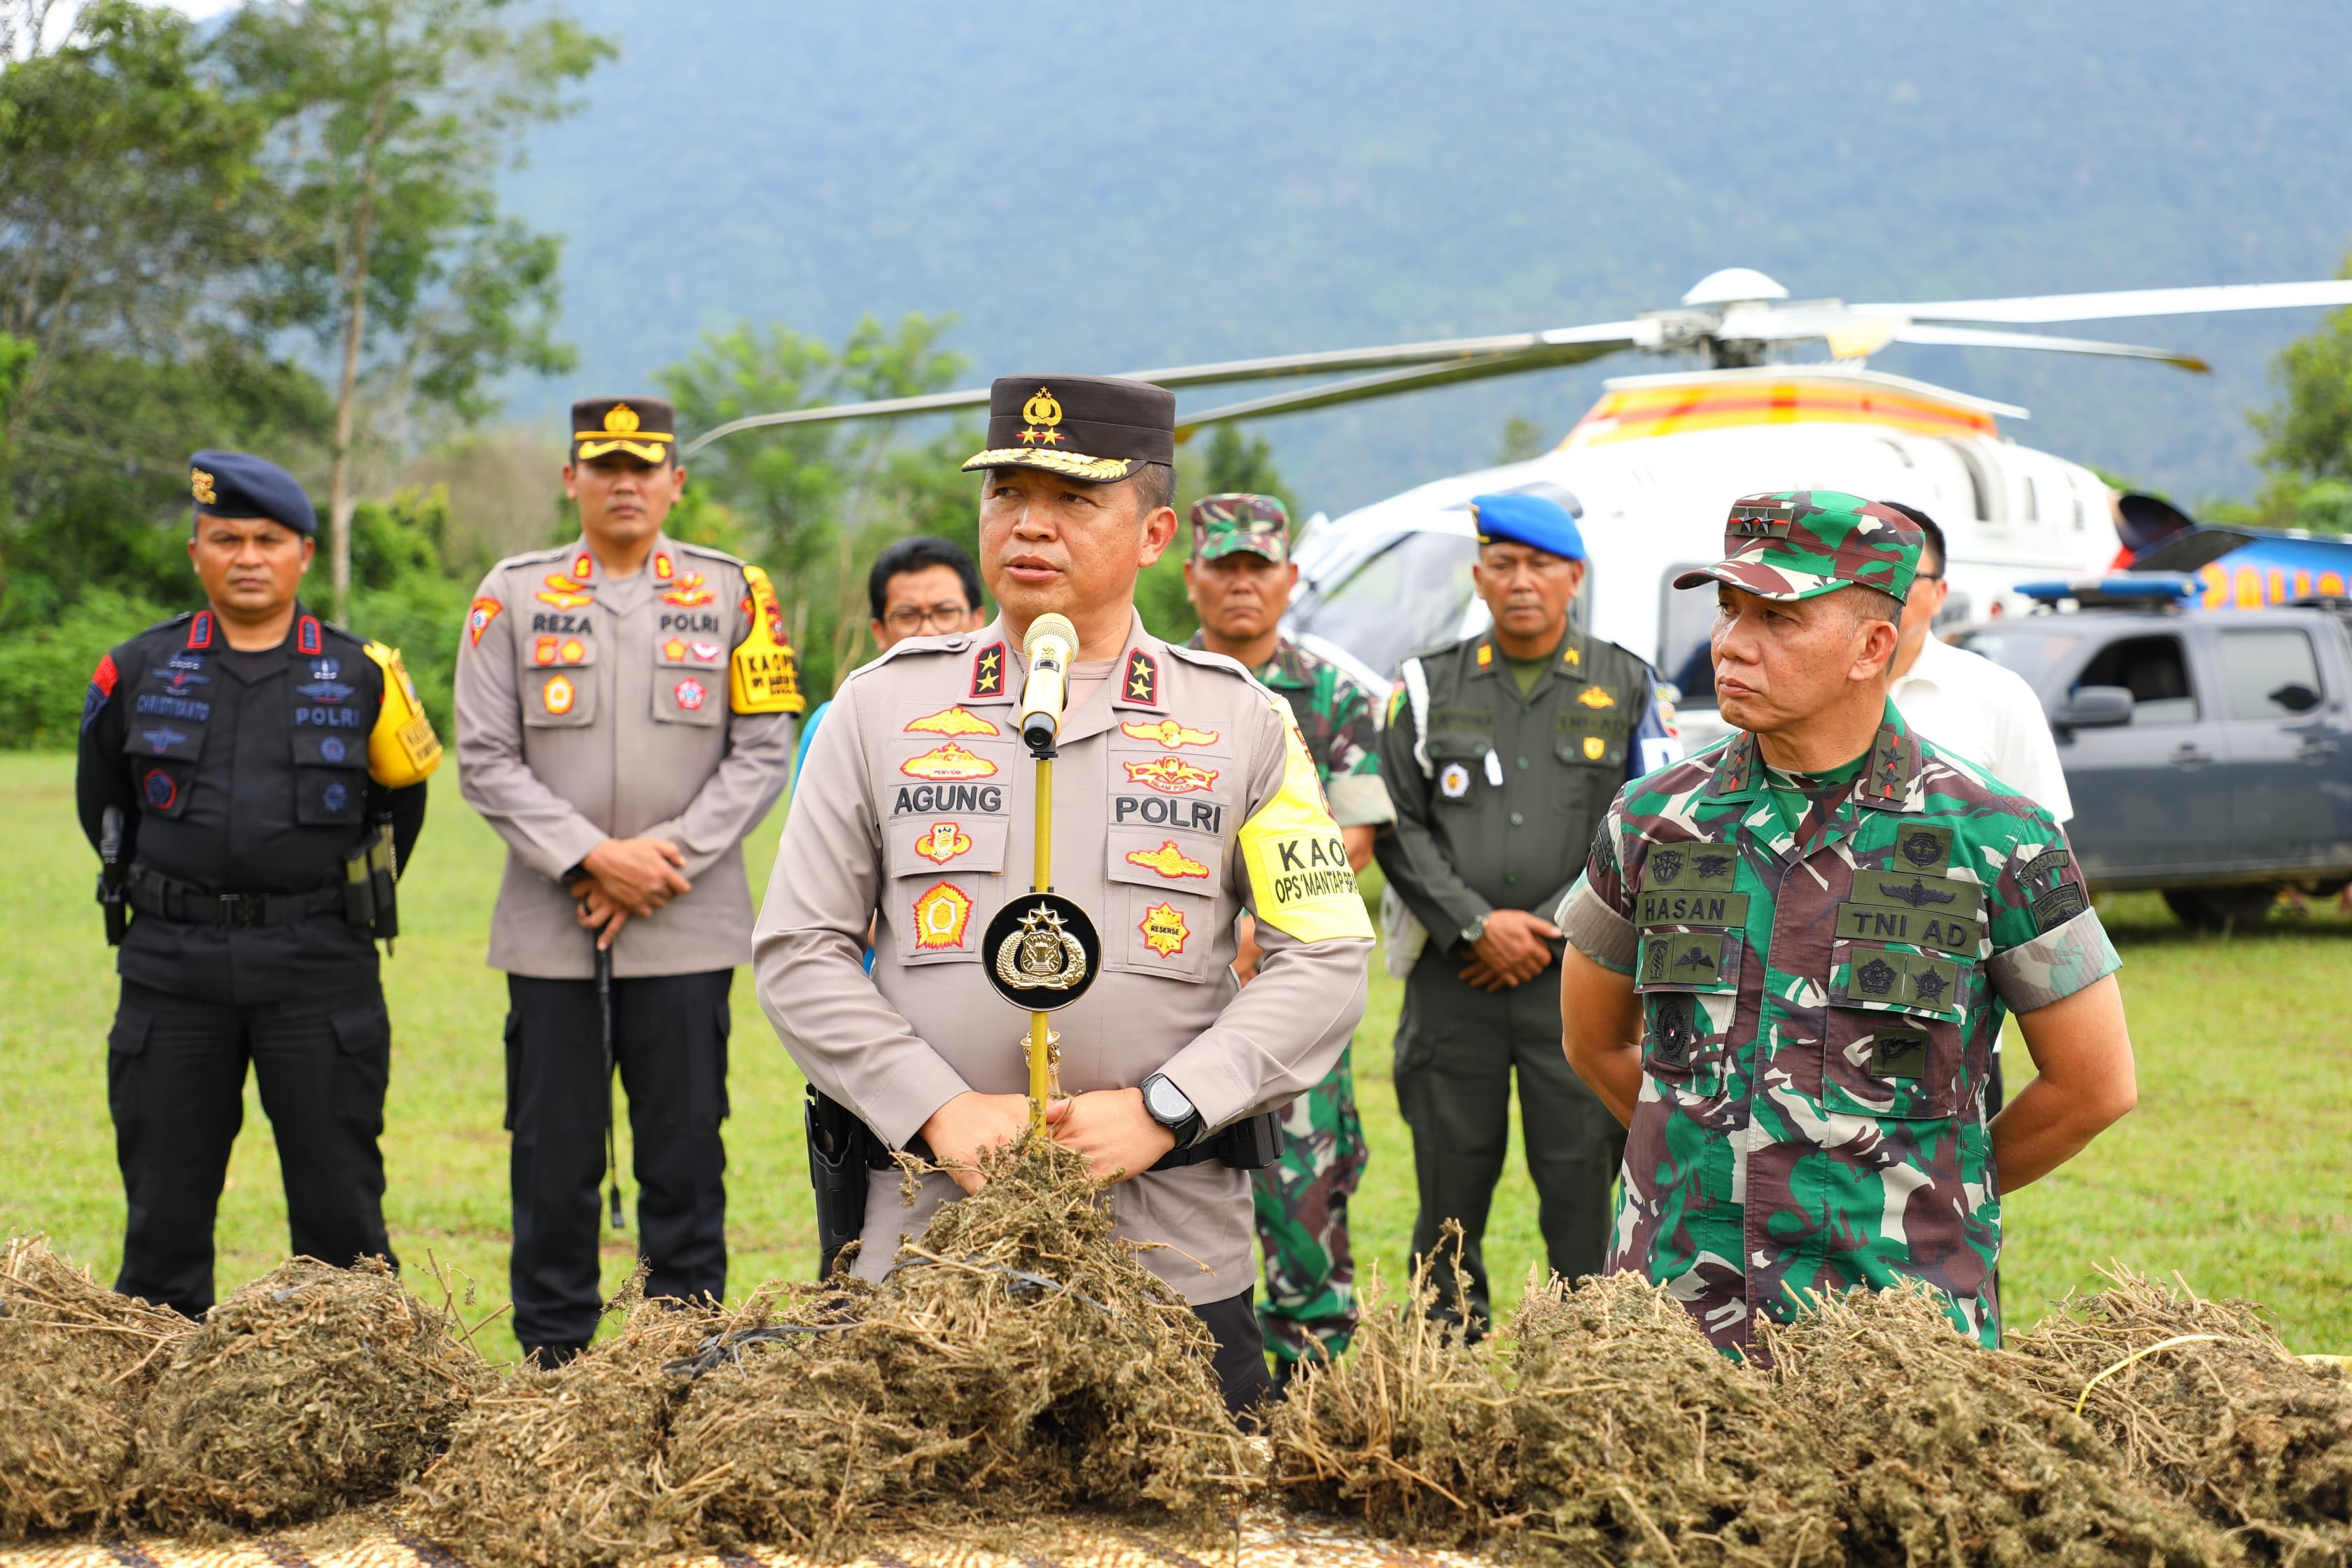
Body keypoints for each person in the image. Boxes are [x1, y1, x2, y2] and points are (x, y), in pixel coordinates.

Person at [755, 374, 1375, 1415]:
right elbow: (799, 950)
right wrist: (940, 1109)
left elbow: (1325, 961)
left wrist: (1167, 1110)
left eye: (1076, 500)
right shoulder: (880, 709)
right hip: (931, 1243)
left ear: (1155, 533)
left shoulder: (1244, 722)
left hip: (1170, 1249)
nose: (1029, 525)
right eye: (1007, 494)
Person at [1558, 490, 2137, 1355]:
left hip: (1892, 1332)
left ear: (1873, 646)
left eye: (1777, 617)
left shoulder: (1996, 836)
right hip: (1675, 1327)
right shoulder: (1652, 819)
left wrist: (1938, 1195)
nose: (1730, 643)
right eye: (1727, 609)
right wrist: (1710, 1166)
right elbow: (1597, 1043)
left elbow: (2094, 1083)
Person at [454, 396, 802, 1366]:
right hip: (551, 923)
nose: (623, 483)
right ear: (571, 478)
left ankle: (683, 1359)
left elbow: (761, 748)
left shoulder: (735, 594)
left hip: (686, 922)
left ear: (675, 482)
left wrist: (662, 862)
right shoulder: (511, 595)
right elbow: (483, 758)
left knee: (686, 1155)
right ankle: (553, 1364)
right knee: (552, 1160)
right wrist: (591, 857)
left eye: (643, 466)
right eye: (602, 465)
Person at [76, 451, 440, 1317]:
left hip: (319, 969)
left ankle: (355, 1405)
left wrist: (312, 902)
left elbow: (403, 810)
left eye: (267, 539)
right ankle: (158, 1407)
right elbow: (104, 803)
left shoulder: (364, 675)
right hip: (172, 969)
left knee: (341, 1213)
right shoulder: (136, 668)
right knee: (162, 1214)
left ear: (303, 554)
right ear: (197, 550)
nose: (247, 555)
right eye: (226, 538)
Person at [1373, 491, 1681, 1330]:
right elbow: (1394, 819)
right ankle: (1439, 1367)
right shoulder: (1425, 685)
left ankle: (1584, 1369)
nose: (1521, 580)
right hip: (1454, 981)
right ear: (1478, 576)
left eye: (1541, 564)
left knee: (1582, 1183)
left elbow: (1650, 820)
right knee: (1448, 1184)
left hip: (1579, 984)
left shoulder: (1627, 683)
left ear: (1573, 576)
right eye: (1502, 563)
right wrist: (1475, 923)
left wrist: (1551, 924)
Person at [1182, 491, 1393, 1386]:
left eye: (1257, 567)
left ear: (1289, 578)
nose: (1241, 584)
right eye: (1223, 566)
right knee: (1173, 1217)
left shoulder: (1335, 694)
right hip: (1176, 999)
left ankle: (1315, 1405)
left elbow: (1352, 837)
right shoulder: (1153, 686)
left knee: (1305, 1212)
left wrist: (1243, 925)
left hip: (1288, 995)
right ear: (1189, 575)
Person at [1883, 501, 2073, 820]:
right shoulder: (1808, 687)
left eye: (1903, 575)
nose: (1884, 588)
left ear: (1939, 594)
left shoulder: (1999, 693)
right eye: (1866, 575)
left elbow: (2045, 835)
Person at [792, 536, 988, 790]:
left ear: (978, 620)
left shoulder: (1024, 717)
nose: (928, 631)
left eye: (945, 612)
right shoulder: (834, 723)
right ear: (879, 632)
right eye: (907, 616)